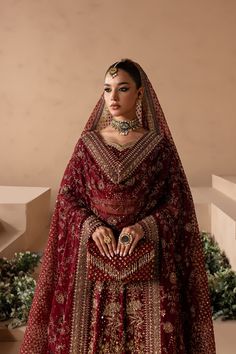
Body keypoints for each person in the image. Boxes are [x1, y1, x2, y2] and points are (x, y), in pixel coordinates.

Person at [20, 59, 216, 353]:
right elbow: (68, 197)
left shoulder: (158, 146)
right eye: (107, 89)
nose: (112, 97)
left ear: (139, 94)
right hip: (94, 257)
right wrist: (92, 227)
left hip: (145, 257)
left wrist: (142, 228)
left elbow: (176, 203)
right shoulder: (88, 144)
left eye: (122, 89)